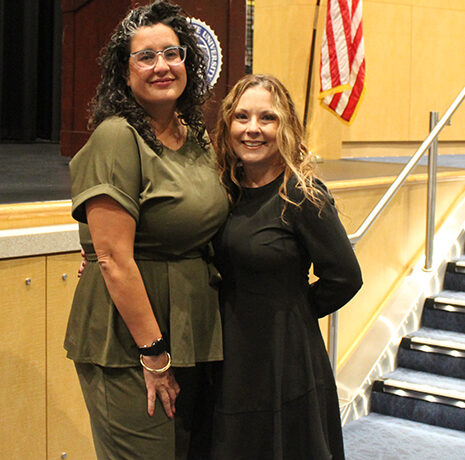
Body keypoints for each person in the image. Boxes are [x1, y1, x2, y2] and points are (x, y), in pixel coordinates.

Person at [64, 2, 229, 459]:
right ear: (124, 71)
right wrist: (155, 356)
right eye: (146, 56)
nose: (162, 66)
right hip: (130, 345)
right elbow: (114, 258)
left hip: (191, 331)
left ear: (188, 63)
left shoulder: (194, 133)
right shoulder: (117, 136)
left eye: (172, 53)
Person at [211, 74, 363, 460]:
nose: (253, 129)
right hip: (228, 354)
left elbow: (344, 276)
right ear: (228, 124)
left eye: (267, 118)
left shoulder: (301, 195)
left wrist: (293, 308)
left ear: (286, 126)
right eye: (242, 117)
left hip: (284, 361)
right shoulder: (223, 190)